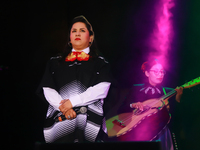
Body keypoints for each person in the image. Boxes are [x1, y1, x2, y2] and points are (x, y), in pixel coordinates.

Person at [37, 15, 112, 143]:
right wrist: (64, 108)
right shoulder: (55, 62)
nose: (77, 33)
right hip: (59, 121)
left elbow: (102, 89)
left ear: (91, 38)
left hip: (90, 120)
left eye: (82, 30)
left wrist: (72, 102)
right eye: (74, 31)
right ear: (69, 38)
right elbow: (47, 88)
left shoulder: (100, 63)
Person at [118, 58, 183, 150]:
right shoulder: (136, 89)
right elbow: (120, 110)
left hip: (161, 133)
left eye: (161, 72)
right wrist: (133, 105)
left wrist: (177, 99)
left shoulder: (168, 91)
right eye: (156, 71)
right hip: (139, 132)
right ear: (147, 73)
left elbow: (176, 119)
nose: (160, 74)